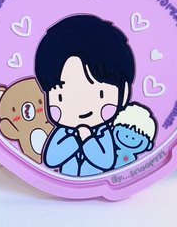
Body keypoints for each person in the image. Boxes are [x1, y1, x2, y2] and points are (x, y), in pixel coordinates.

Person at [34, 14, 135, 176]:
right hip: (64, 181)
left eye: (100, 94)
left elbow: (105, 161)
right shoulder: (63, 132)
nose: (81, 107)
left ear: (124, 95)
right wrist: (75, 138)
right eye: (61, 98)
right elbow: (51, 159)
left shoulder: (103, 132)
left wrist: (87, 138)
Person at [112, 103, 156, 168]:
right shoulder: (110, 151)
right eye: (125, 127)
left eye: (140, 134)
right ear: (113, 129)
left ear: (149, 145)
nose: (129, 137)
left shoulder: (131, 160)